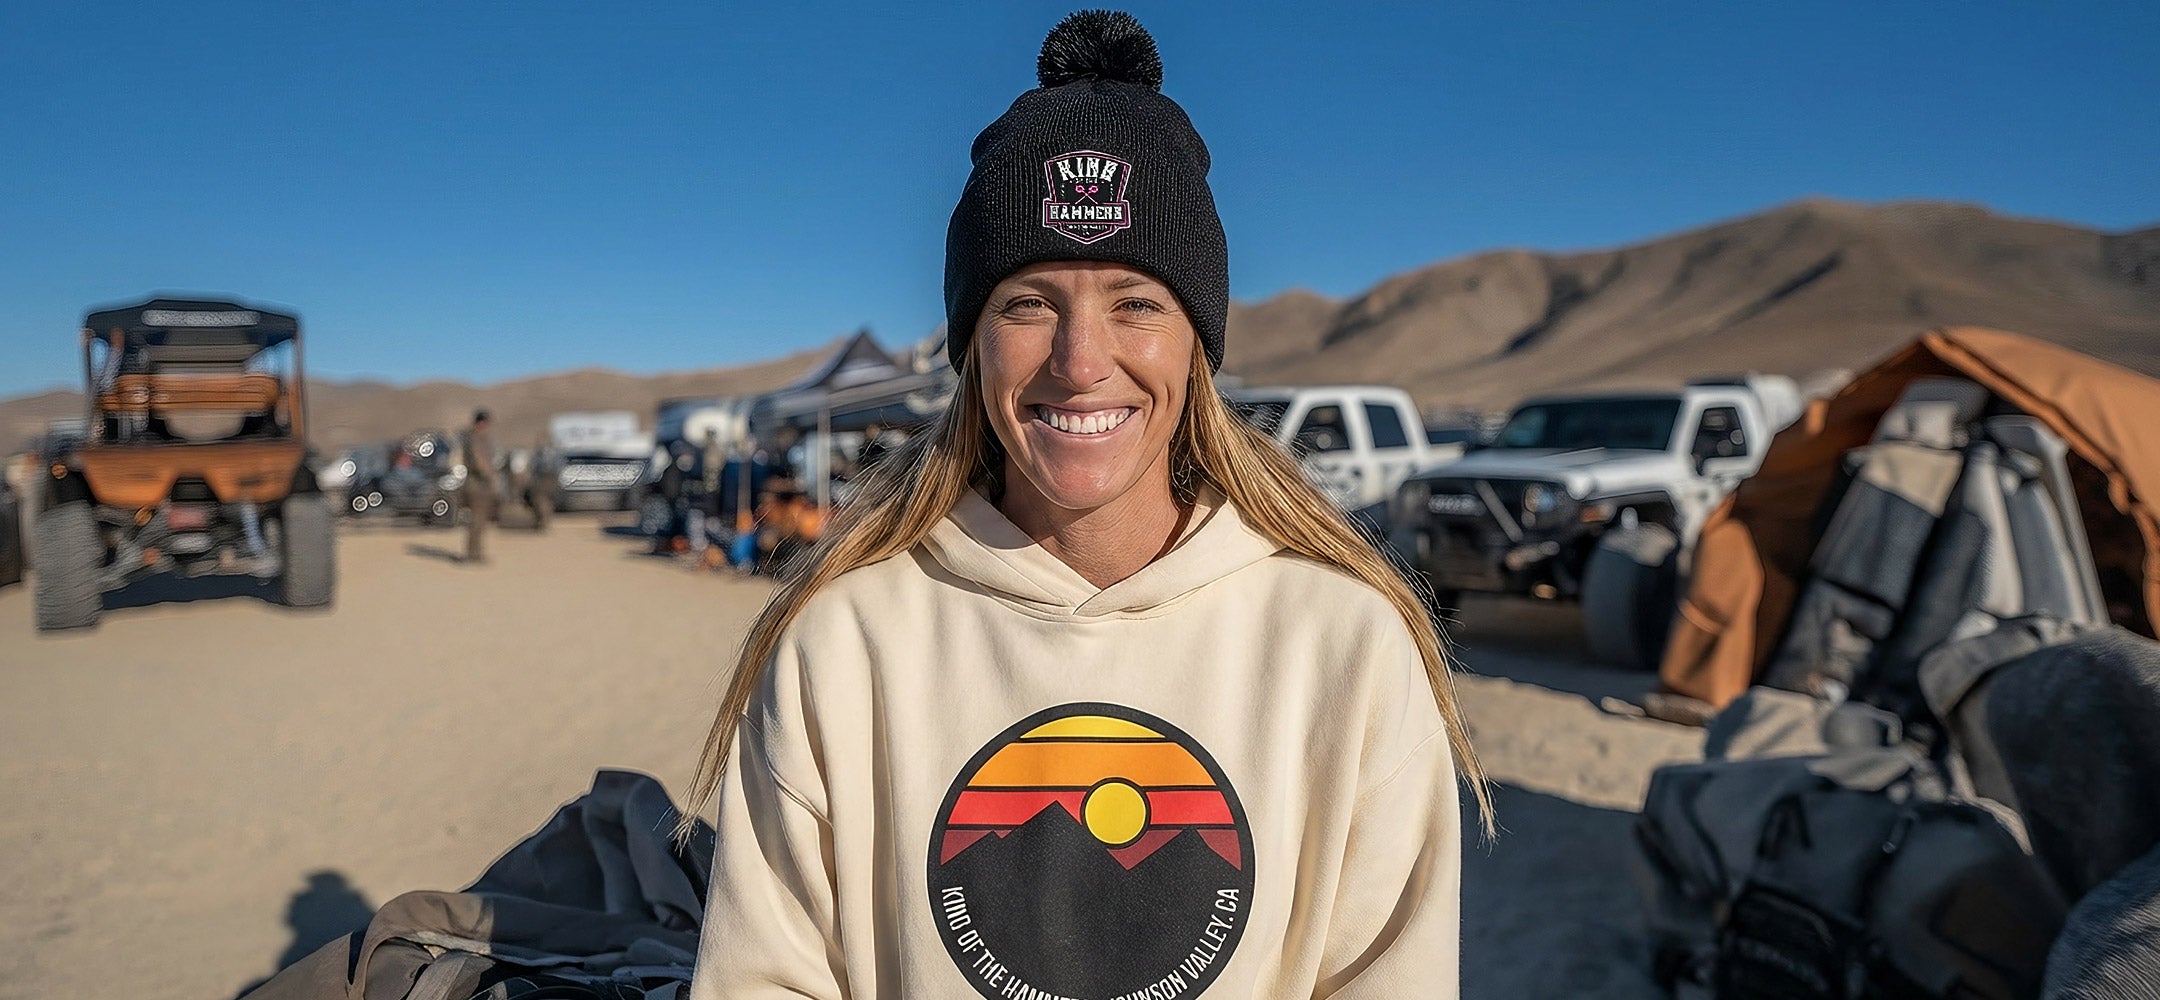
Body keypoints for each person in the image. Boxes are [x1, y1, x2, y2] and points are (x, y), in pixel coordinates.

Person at [683, 12, 1487, 1000]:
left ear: (1197, 340)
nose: (1079, 361)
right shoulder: (845, 643)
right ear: (972, 342)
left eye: (1135, 302)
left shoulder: (1344, 644)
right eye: (1027, 302)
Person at [461, 409, 496, 563]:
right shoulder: (474, 438)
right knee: (476, 519)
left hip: (480, 482)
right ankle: (471, 554)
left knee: (481, 520)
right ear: (480, 423)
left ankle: (476, 553)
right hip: (477, 483)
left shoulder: (481, 438)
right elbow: (478, 461)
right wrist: (489, 475)